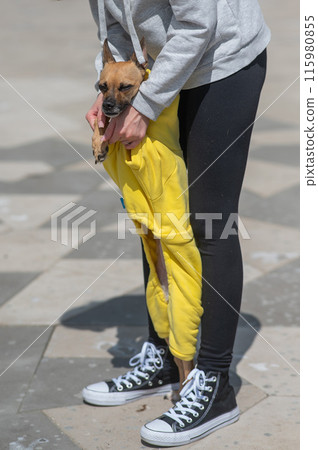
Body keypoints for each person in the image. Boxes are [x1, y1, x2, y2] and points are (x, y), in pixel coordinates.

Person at [83, 0, 270, 446]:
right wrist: (113, 91)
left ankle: (215, 383)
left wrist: (142, 103)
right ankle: (167, 355)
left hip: (219, 65)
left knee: (211, 221)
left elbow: (198, 21)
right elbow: (115, 29)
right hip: (159, 71)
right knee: (154, 216)